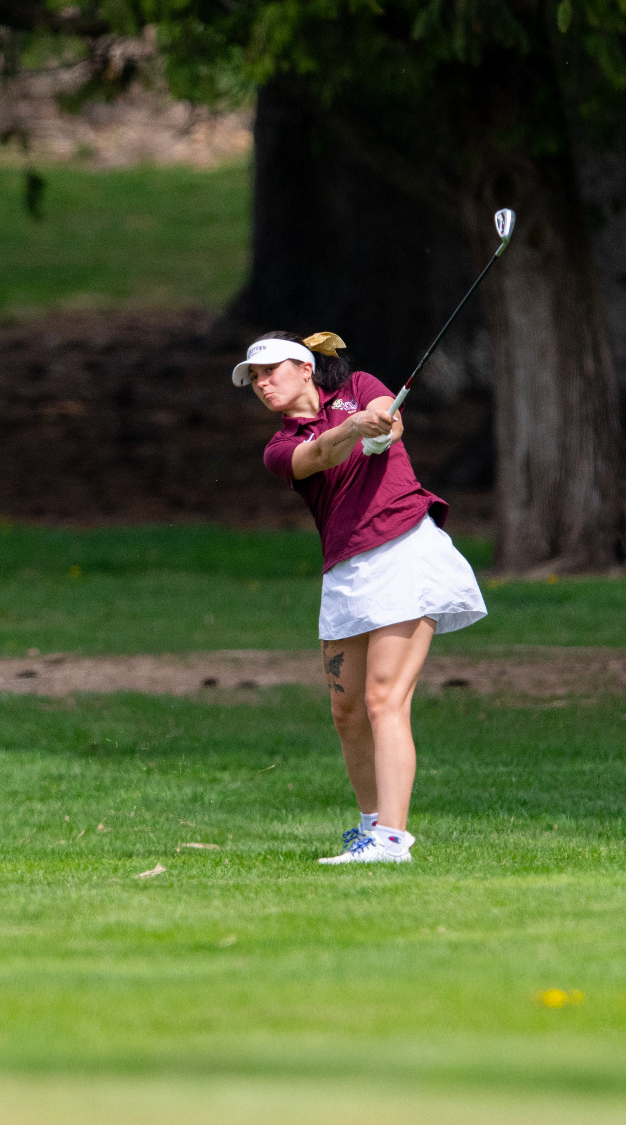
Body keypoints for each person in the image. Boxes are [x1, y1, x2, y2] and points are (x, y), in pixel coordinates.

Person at [237, 331, 486, 864]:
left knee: (383, 700)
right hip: (346, 568)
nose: (261, 384)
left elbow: (387, 414)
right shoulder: (279, 448)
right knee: (346, 710)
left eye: (269, 371)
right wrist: (353, 431)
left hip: (403, 549)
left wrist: (380, 427)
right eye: (254, 378)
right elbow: (320, 454)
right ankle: (370, 825)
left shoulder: (357, 384)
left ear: (305, 369)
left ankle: (393, 841)